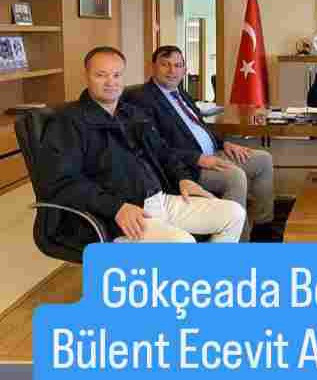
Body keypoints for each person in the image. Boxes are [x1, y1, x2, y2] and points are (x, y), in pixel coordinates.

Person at [40, 46, 245, 245]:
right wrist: (116, 208)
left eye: (117, 75)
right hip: (115, 217)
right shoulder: (69, 122)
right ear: (87, 76)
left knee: (234, 214)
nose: (111, 82)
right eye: (101, 75)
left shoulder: (131, 114)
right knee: (182, 242)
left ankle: (210, 267)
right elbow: (62, 182)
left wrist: (183, 178)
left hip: (157, 200)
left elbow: (162, 152)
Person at [123, 45, 274, 241]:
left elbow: (199, 126)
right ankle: (239, 241)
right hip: (187, 165)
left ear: (184, 69)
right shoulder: (142, 99)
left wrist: (224, 144)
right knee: (235, 176)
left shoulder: (180, 92)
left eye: (178, 65)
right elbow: (154, 147)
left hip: (212, 153)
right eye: (165, 65)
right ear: (153, 67)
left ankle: (262, 226)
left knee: (263, 159)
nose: (172, 71)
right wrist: (197, 158)